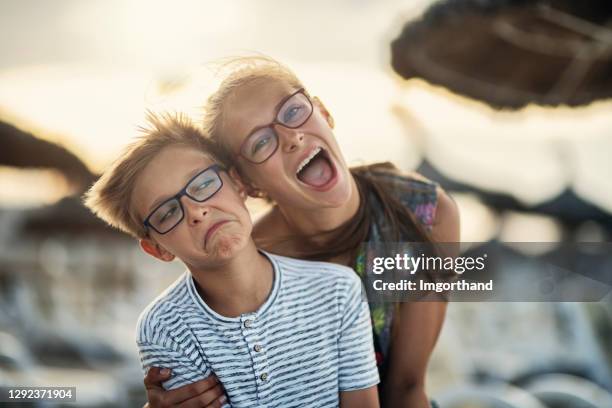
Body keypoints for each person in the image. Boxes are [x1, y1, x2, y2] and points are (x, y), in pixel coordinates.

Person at [145, 56, 460, 408]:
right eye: (260, 143)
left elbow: (406, 385)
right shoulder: (254, 258)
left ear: (323, 112)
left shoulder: (425, 215)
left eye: (293, 111)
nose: (290, 138)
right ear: (246, 182)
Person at [83, 114, 381, 408]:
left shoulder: (338, 290)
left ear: (238, 184)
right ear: (157, 249)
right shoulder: (164, 328)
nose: (196, 211)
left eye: (202, 185)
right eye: (167, 213)